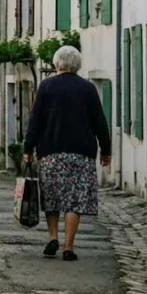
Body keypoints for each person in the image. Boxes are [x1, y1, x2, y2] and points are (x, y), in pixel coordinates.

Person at [22, 46, 111, 261]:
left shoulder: (46, 86)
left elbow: (36, 121)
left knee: (52, 197)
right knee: (74, 200)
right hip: (80, 153)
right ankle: (68, 246)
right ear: (77, 64)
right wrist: (106, 150)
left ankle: (52, 236)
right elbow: (99, 121)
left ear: (56, 63)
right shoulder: (88, 88)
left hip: (50, 152)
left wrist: (28, 148)